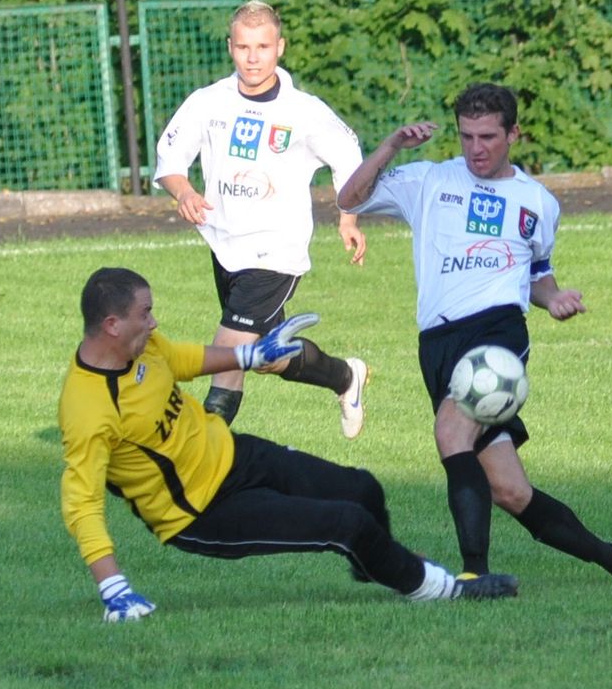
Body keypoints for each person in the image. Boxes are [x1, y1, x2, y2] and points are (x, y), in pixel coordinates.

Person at [336, 82, 612, 587]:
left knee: (450, 434)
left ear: (514, 133)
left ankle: (474, 575)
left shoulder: (536, 201)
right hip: (437, 343)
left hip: (498, 333)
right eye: (467, 136)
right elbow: (347, 197)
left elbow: (537, 274)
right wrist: (390, 147)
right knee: (510, 491)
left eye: (488, 136)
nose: (476, 148)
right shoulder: (429, 180)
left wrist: (552, 298)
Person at [58, 266, 518, 620]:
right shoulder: (88, 409)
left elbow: (179, 359)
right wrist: (113, 587)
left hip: (237, 456)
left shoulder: (143, 347)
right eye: (145, 314)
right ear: (113, 325)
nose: (154, 323)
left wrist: (249, 355)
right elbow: (81, 504)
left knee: (363, 490)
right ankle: (444, 590)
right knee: (347, 524)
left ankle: (376, 563)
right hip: (201, 511)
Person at [154, 0, 370, 432]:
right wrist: (185, 191)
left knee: (228, 354)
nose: (253, 58)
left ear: (280, 47)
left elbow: (349, 157)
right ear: (230, 47)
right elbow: (170, 158)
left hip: (276, 252)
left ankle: (196, 462)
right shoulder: (207, 102)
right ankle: (347, 377)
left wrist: (347, 217)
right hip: (225, 244)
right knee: (268, 357)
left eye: (263, 47)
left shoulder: (304, 111)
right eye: (243, 47)